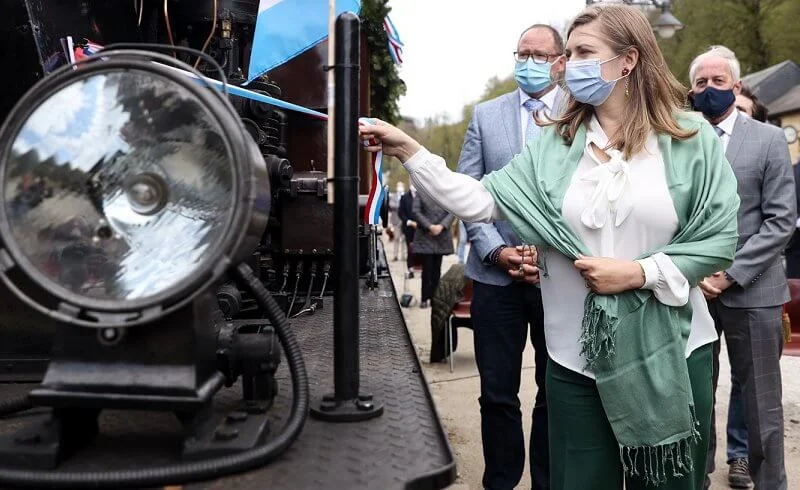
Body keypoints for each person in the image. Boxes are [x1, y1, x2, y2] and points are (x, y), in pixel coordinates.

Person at [360, 5, 741, 489]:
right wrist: (409, 150)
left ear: (628, 60)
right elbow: (481, 200)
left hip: (673, 350)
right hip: (575, 356)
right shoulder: (554, 144)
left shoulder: (691, 139)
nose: (568, 65)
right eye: (570, 53)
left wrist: (639, 273)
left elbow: (718, 239)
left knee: (668, 481)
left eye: (584, 52)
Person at [455, 23, 566, 490]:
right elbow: (467, 193)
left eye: (540, 54)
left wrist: (548, 253)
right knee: (497, 393)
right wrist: (496, 250)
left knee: (555, 392)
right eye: (523, 53)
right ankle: (500, 480)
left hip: (560, 279)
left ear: (561, 62)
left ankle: (547, 480)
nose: (529, 61)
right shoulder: (486, 115)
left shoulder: (584, 113)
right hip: (495, 279)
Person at [689, 46, 795, 490]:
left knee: (762, 406)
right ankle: (693, 478)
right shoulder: (676, 138)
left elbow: (780, 220)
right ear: (690, 90)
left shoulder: (769, 139)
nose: (709, 89)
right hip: (690, 290)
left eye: (718, 81)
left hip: (754, 289)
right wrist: (694, 272)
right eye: (700, 83)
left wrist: (730, 274)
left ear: (736, 86)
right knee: (691, 400)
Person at [717, 83, 768, 489]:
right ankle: (696, 460)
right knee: (697, 375)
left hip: (749, 282)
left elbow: (777, 221)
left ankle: (739, 455)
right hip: (698, 285)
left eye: (747, 113)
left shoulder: (765, 152)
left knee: (745, 379)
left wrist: (733, 273)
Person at [412, 188, 454, 309]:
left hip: (441, 236)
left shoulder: (447, 192)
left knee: (437, 270)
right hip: (425, 236)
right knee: (427, 270)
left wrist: (441, 226)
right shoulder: (421, 191)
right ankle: (425, 298)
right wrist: (429, 226)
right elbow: (416, 211)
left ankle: (435, 298)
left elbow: (452, 211)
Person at [397, 184, 417, 277]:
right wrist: (409, 222)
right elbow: (400, 212)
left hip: (421, 228)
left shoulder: (422, 195)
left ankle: (420, 267)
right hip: (409, 228)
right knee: (410, 249)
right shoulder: (404, 197)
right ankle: (410, 268)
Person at [388, 181, 406, 261]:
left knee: (404, 239)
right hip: (396, 221)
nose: (400, 188)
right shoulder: (393, 196)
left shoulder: (406, 196)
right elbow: (391, 205)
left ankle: (404, 256)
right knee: (396, 238)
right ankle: (395, 256)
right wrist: (402, 205)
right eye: (398, 186)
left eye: (401, 186)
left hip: (405, 221)